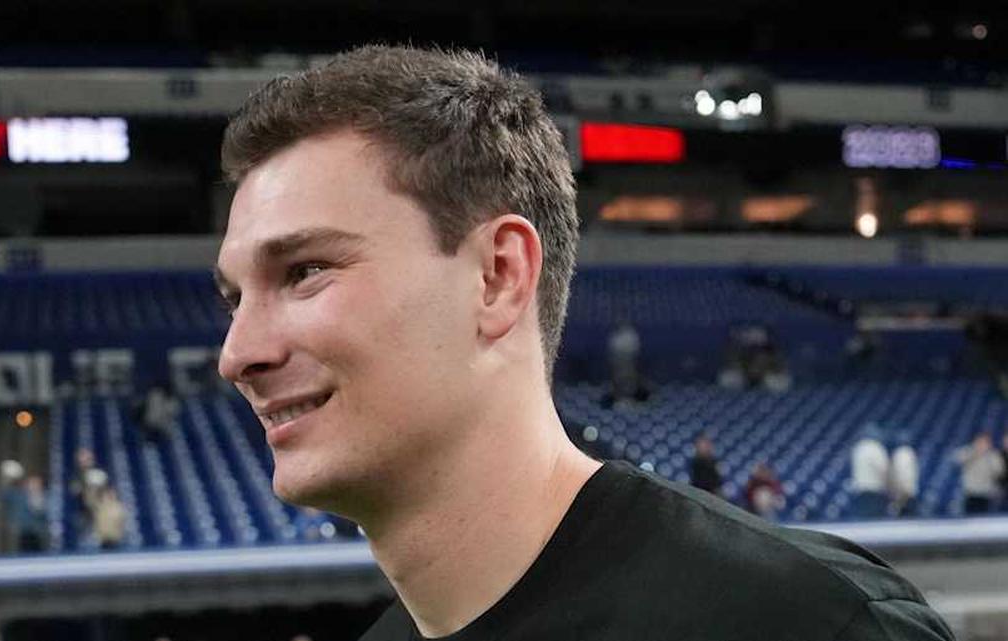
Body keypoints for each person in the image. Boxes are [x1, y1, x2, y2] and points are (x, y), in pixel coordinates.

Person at [214, 46, 952, 640]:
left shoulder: (809, 624)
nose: (237, 354)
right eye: (234, 298)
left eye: (304, 271)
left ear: (498, 277)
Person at [953, 432, 1004, 515]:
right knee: (969, 518)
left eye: (986, 442)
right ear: (976, 442)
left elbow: (999, 471)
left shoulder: (993, 456)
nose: (983, 445)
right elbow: (957, 459)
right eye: (980, 442)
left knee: (985, 518)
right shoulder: (968, 452)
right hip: (970, 493)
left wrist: (988, 459)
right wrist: (975, 452)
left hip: (986, 494)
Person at [851, 424, 891, 519]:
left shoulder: (858, 448)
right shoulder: (876, 447)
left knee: (863, 521)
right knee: (875, 521)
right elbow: (884, 471)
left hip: (860, 492)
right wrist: (889, 489)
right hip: (874, 492)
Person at [889, 432, 920, 518]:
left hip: (904, 496)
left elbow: (902, 477)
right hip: (910, 494)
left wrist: (898, 499)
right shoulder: (910, 452)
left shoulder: (900, 453)